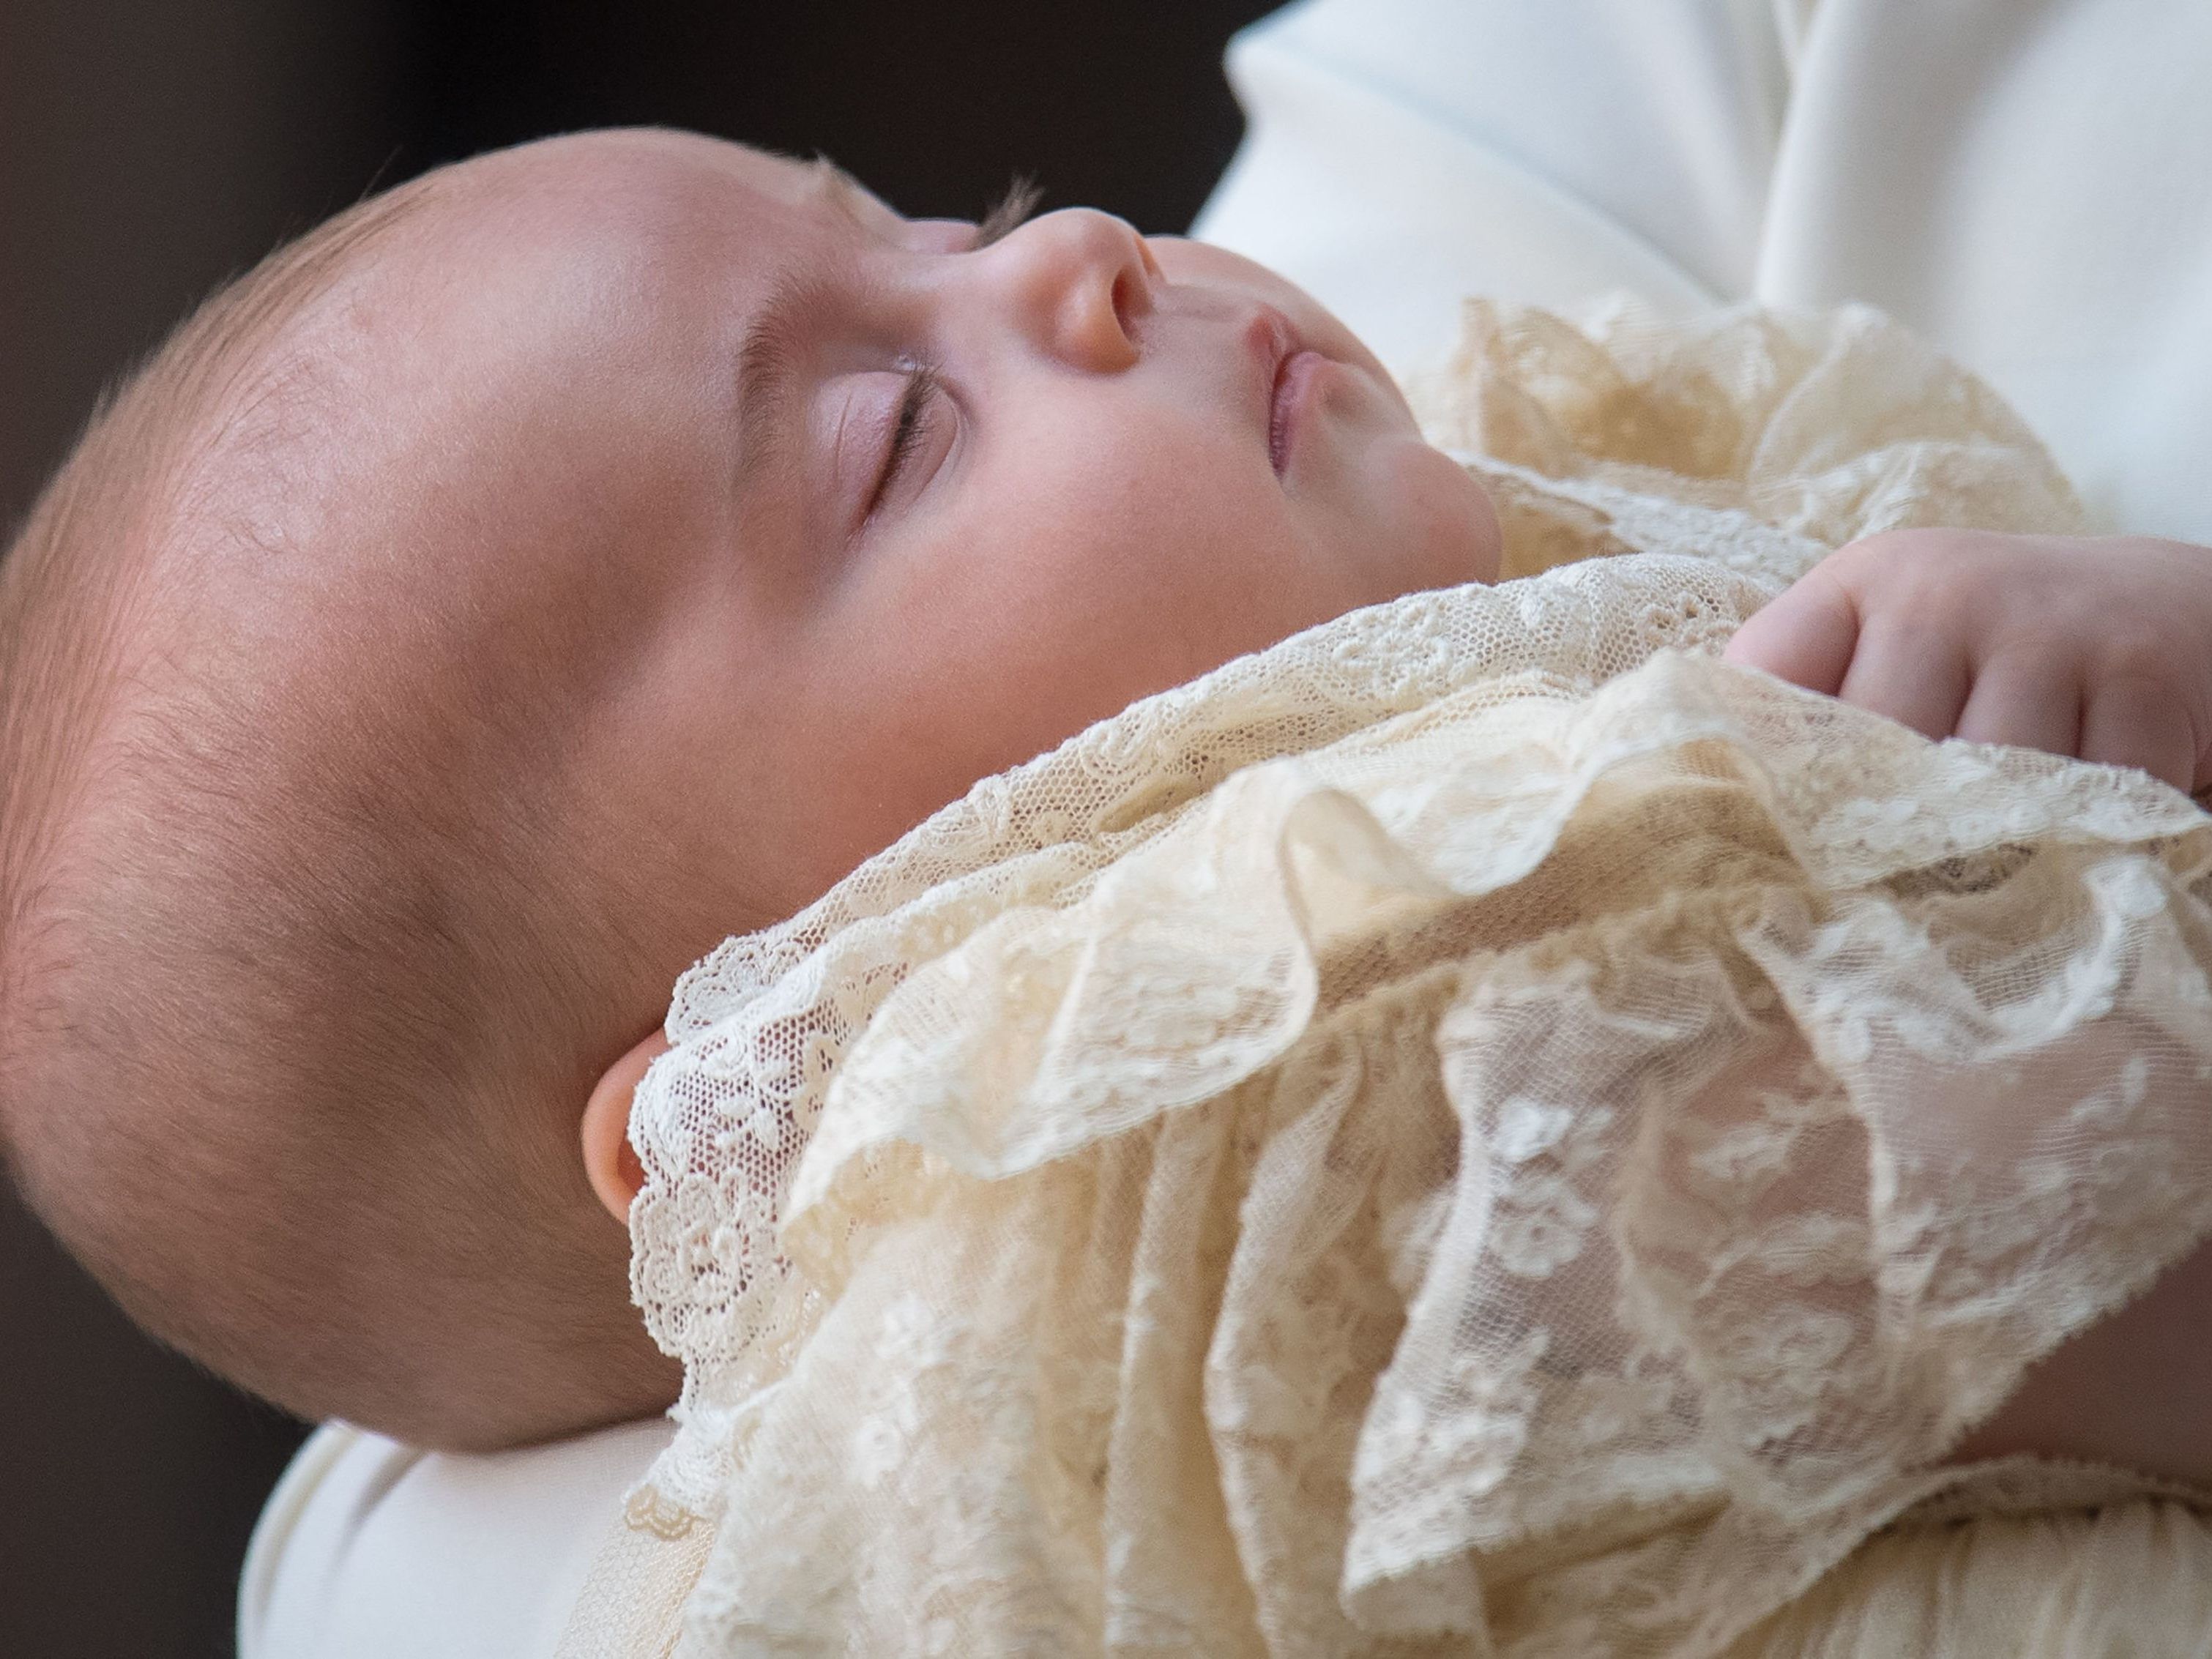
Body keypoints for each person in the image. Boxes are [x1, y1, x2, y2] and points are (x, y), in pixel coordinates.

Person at [0, 127, 2198, 1652]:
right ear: (765, 1071)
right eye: (900, 432)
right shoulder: (1261, 1191)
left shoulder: (1499, 526)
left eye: (945, 224)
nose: (1081, 261)